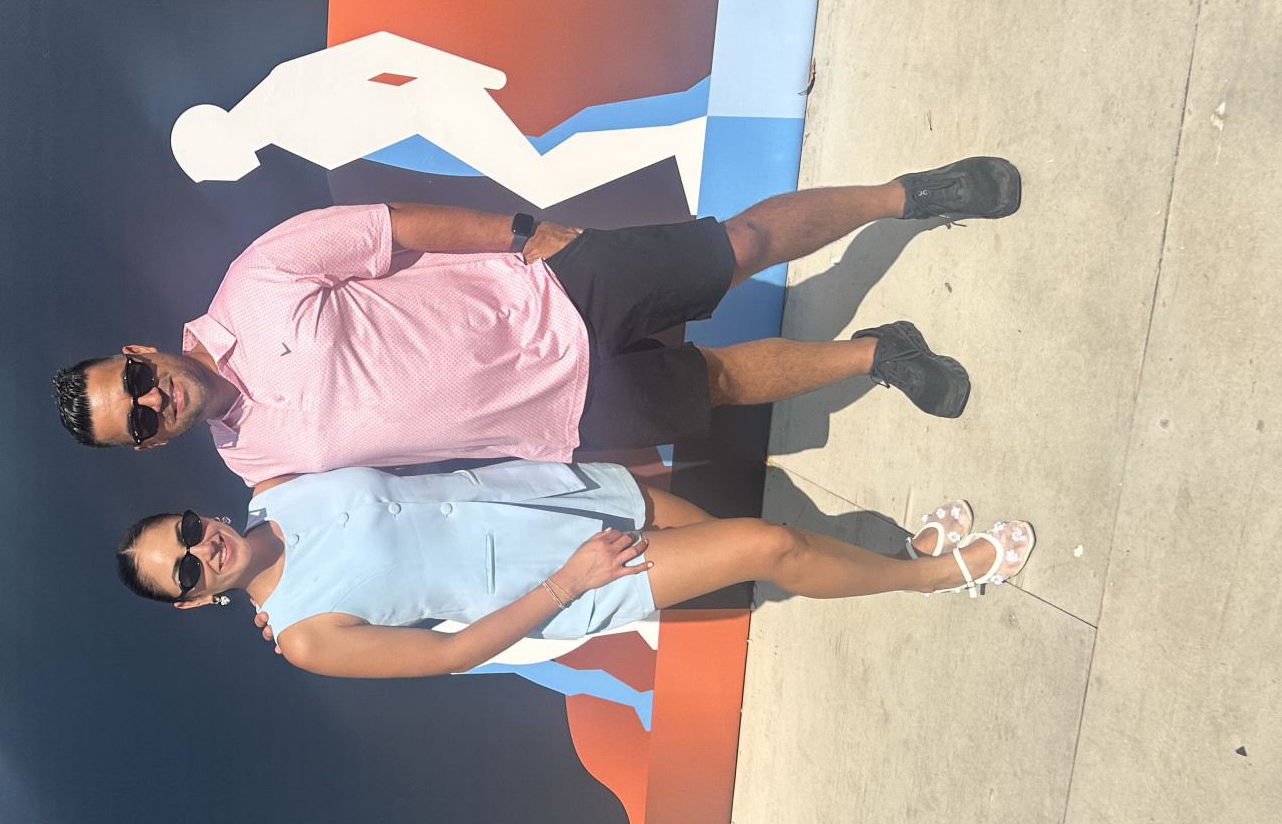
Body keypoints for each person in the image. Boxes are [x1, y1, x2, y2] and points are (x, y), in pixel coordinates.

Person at [52, 160, 1020, 486]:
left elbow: (396, 225)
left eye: (132, 382)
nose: (151, 399)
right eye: (139, 420)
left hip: (547, 292)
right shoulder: (250, 464)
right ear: (151, 442)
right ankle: (878, 354)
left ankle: (909, 195)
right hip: (555, 417)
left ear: (138, 352)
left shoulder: (255, 277)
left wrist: (524, 234)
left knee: (740, 245)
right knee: (718, 386)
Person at [113, 463, 1033, 678]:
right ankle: (939, 578)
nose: (200, 550)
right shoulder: (304, 637)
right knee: (765, 546)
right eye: (185, 572)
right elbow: (452, 654)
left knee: (753, 536)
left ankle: (899, 557)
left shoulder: (275, 488)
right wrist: (571, 584)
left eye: (185, 531)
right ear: (194, 603)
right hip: (559, 573)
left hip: (548, 491)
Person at [168, 31, 709, 209]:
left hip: (438, 114)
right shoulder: (280, 131)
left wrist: (470, 72)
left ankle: (680, 137)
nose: (224, 178)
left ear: (216, 141)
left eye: (211, 170)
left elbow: (379, 50)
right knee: (547, 153)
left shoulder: (282, 91)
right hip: (430, 140)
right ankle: (678, 126)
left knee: (543, 179)